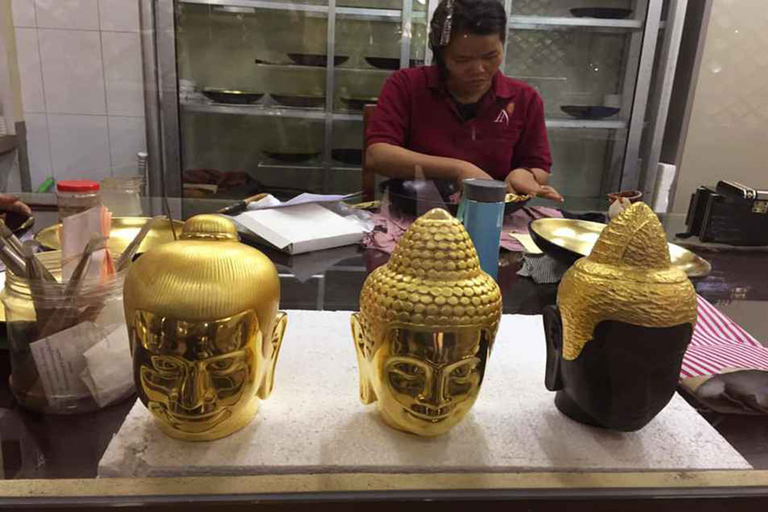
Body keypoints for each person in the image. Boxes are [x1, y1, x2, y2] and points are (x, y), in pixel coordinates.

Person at [365, 0, 563, 202]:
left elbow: (538, 165)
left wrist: (525, 174)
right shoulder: (407, 85)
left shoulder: (524, 99)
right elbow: (378, 155)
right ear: (441, 55)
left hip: (493, 214)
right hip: (416, 210)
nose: (479, 69)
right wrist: (458, 169)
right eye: (462, 60)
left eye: (490, 56)